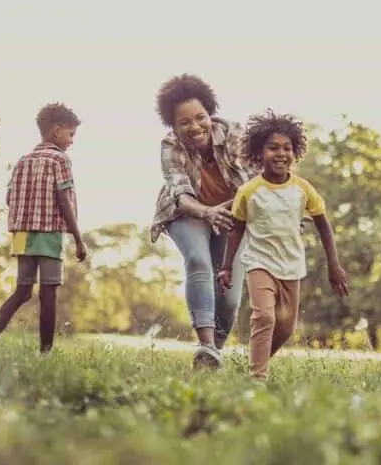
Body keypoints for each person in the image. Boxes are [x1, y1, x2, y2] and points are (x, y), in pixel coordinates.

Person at [217, 109, 350, 381]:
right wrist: (227, 266)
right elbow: (237, 228)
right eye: (273, 148)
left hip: (291, 264)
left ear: (295, 152)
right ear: (259, 152)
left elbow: (323, 225)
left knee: (286, 328)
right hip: (259, 262)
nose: (281, 154)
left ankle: (256, 361)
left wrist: (334, 265)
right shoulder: (249, 191)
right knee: (264, 317)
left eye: (287, 148)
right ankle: (257, 379)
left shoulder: (303, 188)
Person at [149, 74, 254, 369]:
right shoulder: (170, 145)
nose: (195, 127)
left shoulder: (235, 134)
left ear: (210, 113)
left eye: (200, 117)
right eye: (184, 122)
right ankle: (205, 343)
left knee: (230, 292)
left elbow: (253, 185)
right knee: (198, 261)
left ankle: (211, 355)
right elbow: (180, 195)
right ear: (173, 125)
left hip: (233, 213)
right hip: (187, 213)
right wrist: (207, 212)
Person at [0, 103, 86, 353]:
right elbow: (64, 201)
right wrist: (79, 239)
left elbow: (9, 198)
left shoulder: (22, 161)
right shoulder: (60, 159)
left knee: (23, 290)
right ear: (56, 130)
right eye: (70, 134)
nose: (71, 141)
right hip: (47, 233)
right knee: (48, 293)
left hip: (21, 235)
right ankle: (45, 353)